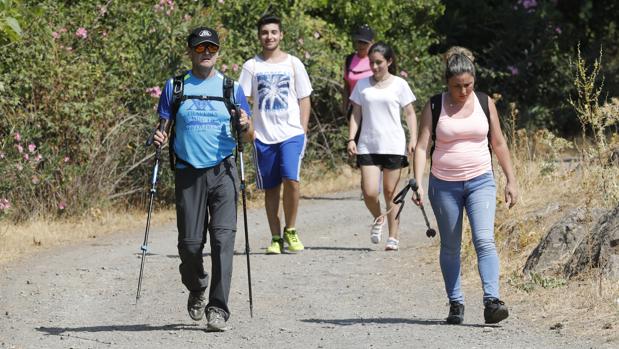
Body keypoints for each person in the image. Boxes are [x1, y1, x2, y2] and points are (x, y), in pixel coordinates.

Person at [152, 26, 253, 332]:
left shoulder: (231, 88)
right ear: (190, 52)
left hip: (223, 171)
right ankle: (197, 287)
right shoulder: (176, 86)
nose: (206, 53)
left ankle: (218, 308)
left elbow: (248, 136)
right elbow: (163, 127)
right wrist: (158, 136)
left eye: (211, 48)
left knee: (223, 240)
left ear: (218, 51)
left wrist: (246, 124)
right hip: (188, 172)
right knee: (190, 244)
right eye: (200, 48)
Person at [412, 46, 518, 325]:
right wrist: (419, 184)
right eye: (457, 86)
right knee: (450, 245)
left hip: (480, 180)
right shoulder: (434, 105)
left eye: (468, 85)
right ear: (447, 83)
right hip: (444, 184)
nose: (463, 91)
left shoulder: (485, 103)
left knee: (484, 239)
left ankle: (492, 302)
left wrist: (511, 179)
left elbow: (498, 142)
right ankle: (456, 303)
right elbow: (422, 147)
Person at [239, 14, 313, 255]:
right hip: (263, 136)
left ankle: (290, 230)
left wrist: (302, 129)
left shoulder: (293, 63)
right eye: (264, 32)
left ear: (281, 35)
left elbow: (304, 97)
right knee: (271, 188)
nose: (269, 36)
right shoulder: (252, 66)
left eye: (273, 32)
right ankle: (275, 237)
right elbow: (242, 100)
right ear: (259, 36)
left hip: (291, 133)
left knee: (291, 179)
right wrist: (248, 128)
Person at [347, 42, 417, 251]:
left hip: (393, 144)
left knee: (390, 192)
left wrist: (413, 138)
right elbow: (356, 114)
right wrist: (351, 138)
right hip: (368, 144)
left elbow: (410, 113)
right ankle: (379, 218)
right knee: (369, 192)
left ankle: (393, 236)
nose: (375, 67)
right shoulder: (362, 85)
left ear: (389, 61)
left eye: (379, 62)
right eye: (372, 63)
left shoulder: (400, 85)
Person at [342, 24, 375, 124]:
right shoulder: (350, 59)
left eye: (365, 42)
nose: (361, 45)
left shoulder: (375, 60)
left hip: (373, 109)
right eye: (359, 41)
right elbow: (347, 86)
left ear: (371, 43)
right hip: (354, 108)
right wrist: (344, 108)